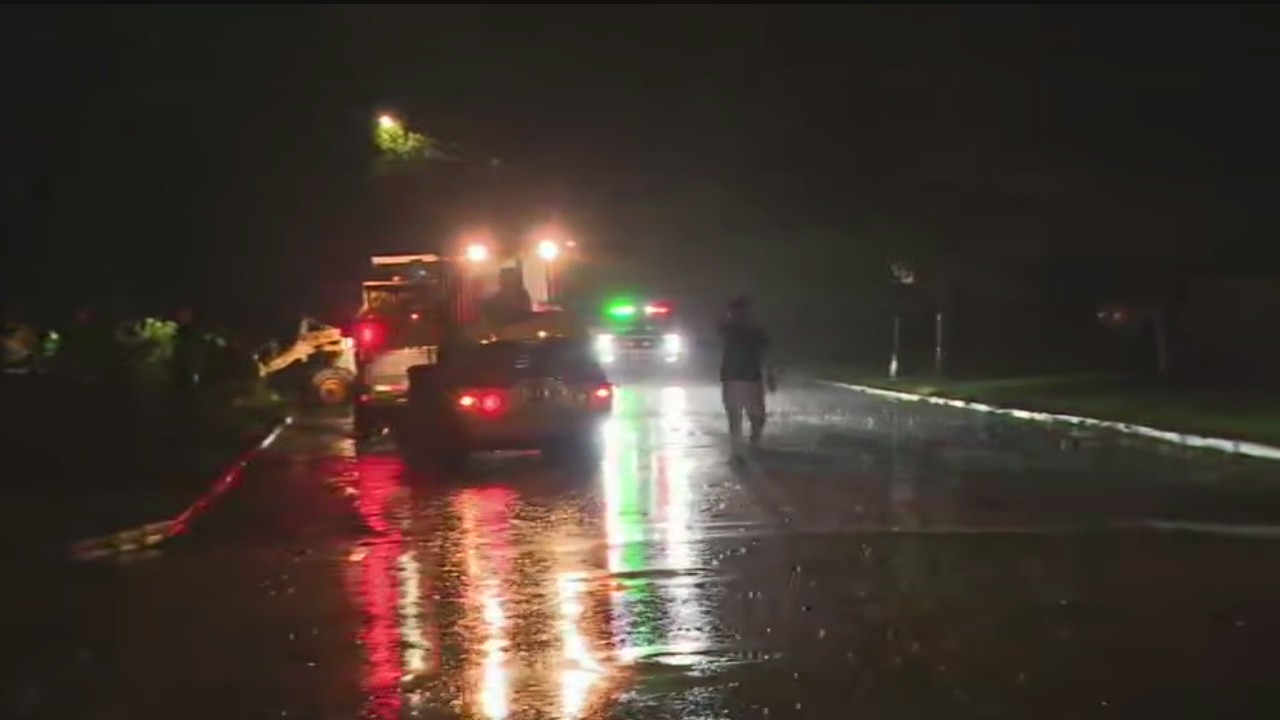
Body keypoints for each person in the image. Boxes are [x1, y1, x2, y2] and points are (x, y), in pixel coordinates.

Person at [718, 295, 775, 457]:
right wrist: (770, 375)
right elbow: (766, 353)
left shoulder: (729, 328)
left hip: (735, 378)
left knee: (736, 415)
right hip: (748, 378)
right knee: (754, 415)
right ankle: (751, 444)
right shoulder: (753, 330)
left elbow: (764, 352)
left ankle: (741, 447)